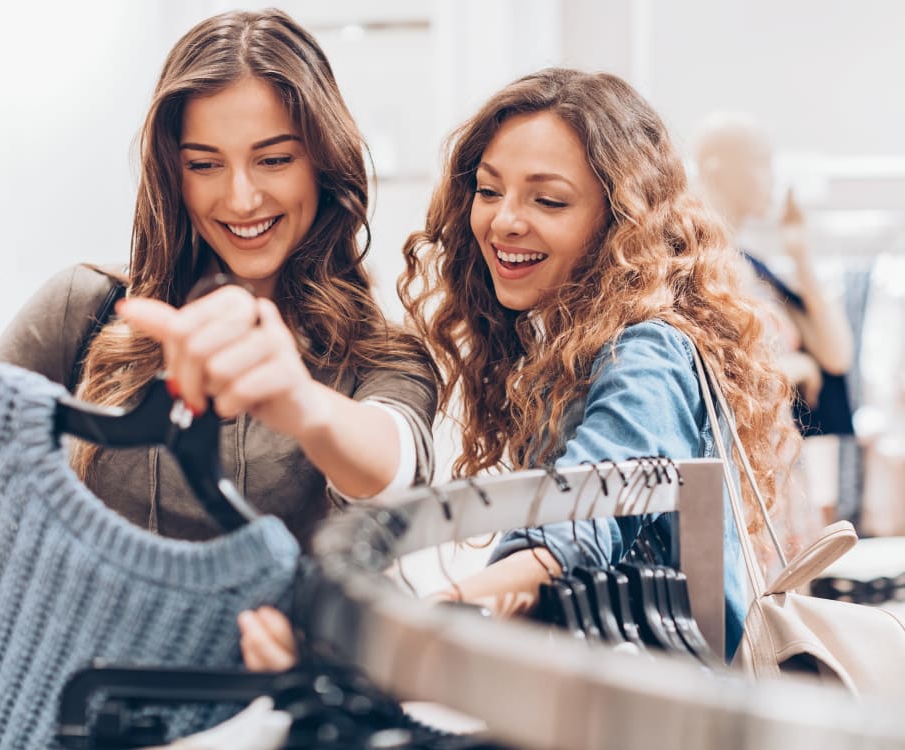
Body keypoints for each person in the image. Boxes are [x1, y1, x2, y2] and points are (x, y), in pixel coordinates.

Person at [0, 9, 437, 666]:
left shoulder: (385, 359)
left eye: (273, 159)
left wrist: (302, 403)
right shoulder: (86, 311)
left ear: (323, 164)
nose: (241, 198)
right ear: (171, 173)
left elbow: (391, 466)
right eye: (205, 164)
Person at [233, 68, 799, 669]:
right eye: (489, 190)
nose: (504, 220)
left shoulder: (646, 354)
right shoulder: (566, 349)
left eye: (548, 199)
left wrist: (393, 631)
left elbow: (583, 515)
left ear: (620, 221)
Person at [692, 111, 855, 532]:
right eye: (760, 162)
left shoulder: (751, 266)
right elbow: (714, 381)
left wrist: (801, 254)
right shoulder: (697, 263)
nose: (772, 177)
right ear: (717, 169)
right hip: (743, 480)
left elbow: (837, 357)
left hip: (777, 472)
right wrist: (798, 367)